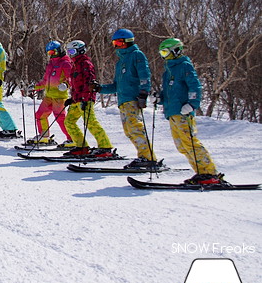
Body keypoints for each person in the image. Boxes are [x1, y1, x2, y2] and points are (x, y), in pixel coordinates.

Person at [156, 38, 223, 185]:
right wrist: (160, 98)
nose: (163, 56)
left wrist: (192, 104)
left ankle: (209, 172)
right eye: (162, 53)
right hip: (172, 112)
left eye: (166, 52)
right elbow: (167, 91)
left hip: (183, 112)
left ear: (175, 51)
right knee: (181, 145)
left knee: (190, 142)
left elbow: (195, 86)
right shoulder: (168, 70)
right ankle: (200, 172)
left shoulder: (184, 66)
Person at [96, 28, 157, 168]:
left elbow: (145, 75)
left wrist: (143, 93)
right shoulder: (120, 62)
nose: (116, 46)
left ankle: (148, 157)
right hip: (123, 101)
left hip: (133, 98)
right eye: (114, 43)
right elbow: (116, 85)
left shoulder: (137, 55)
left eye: (119, 42)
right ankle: (144, 156)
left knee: (135, 127)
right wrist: (100, 88)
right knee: (128, 131)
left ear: (127, 42)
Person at [62, 40, 114, 157]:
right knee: (69, 122)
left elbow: (89, 82)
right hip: (77, 99)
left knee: (90, 122)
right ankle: (81, 146)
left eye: (72, 51)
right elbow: (75, 84)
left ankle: (105, 147)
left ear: (80, 50)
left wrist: (85, 98)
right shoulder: (74, 65)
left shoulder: (85, 63)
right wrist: (72, 98)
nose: (70, 54)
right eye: (69, 51)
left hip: (85, 99)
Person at [31, 40, 73, 146]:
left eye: (53, 52)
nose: (52, 55)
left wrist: (66, 85)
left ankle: (72, 138)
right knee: (40, 114)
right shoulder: (51, 64)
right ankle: (44, 136)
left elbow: (71, 78)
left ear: (59, 50)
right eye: (49, 53)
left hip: (59, 96)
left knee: (60, 118)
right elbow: (46, 81)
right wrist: (35, 87)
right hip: (49, 95)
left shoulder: (66, 63)